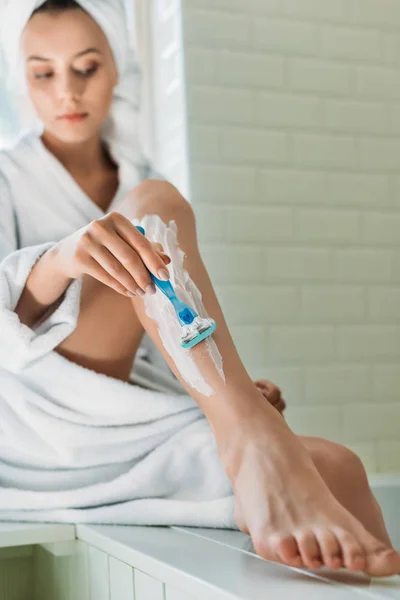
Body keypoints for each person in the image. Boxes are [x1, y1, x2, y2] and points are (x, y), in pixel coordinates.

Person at [0, 0, 398, 578]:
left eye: (86, 67)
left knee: (338, 468)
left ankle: (247, 427)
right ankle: (250, 437)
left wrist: (211, 389)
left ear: (117, 70)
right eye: (44, 73)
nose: (67, 91)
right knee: (156, 208)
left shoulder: (132, 175)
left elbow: (150, 329)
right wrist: (60, 260)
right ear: (23, 79)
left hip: (113, 414)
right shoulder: (8, 175)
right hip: (31, 416)